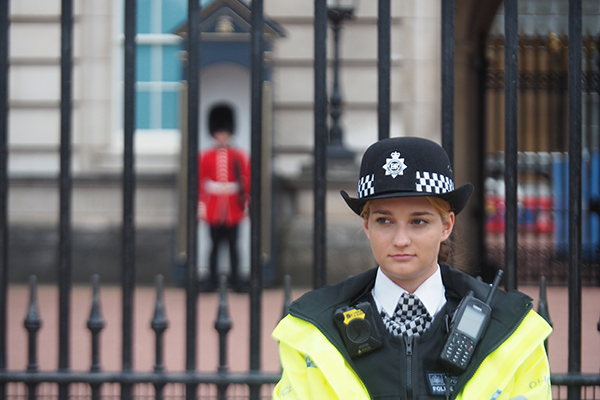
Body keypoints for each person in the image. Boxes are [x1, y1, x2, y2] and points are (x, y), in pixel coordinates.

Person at [272, 137, 552, 399]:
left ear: (446, 225)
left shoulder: (512, 331)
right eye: (384, 221)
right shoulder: (311, 328)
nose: (401, 240)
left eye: (418, 221)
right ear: (366, 225)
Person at [198, 104, 250, 293]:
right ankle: (211, 280)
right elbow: (201, 182)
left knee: (234, 247)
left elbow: (246, 181)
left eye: (224, 132)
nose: (221, 135)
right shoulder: (206, 156)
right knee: (214, 246)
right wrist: (201, 205)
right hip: (213, 207)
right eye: (218, 132)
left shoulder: (239, 156)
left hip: (233, 208)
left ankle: (236, 280)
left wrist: (245, 204)